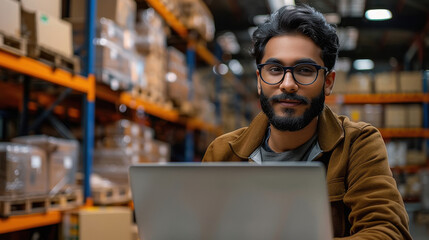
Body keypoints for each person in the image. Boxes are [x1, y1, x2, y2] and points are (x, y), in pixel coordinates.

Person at [202, 4, 411, 239]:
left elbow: (388, 232)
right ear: (259, 80)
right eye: (274, 69)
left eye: (304, 70)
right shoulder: (222, 153)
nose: (288, 84)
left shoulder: (356, 145)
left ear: (328, 81)